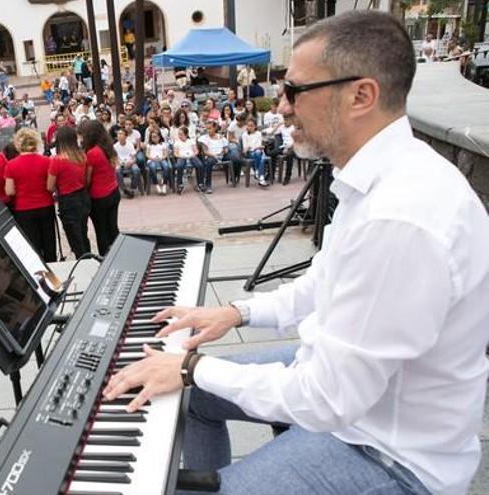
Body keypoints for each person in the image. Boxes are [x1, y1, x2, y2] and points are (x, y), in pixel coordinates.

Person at [102, 11, 489, 495]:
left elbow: (327, 399)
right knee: (193, 399)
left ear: (361, 95)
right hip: (351, 395)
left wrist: (190, 365)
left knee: (190, 383)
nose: (281, 106)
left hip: (389, 453)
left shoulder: (399, 218)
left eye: (295, 91)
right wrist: (236, 313)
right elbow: (323, 285)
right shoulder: (379, 181)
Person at [5, 128, 56, 262]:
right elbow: (51, 186)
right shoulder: (46, 161)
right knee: (49, 242)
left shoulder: (11, 165)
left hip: (24, 209)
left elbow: (9, 191)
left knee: (32, 245)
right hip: (45, 205)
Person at [47, 126, 90, 259]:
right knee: (83, 233)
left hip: (68, 200)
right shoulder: (82, 156)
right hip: (83, 197)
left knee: (74, 237)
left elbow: (50, 186)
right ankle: (89, 258)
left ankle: (83, 261)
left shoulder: (57, 160)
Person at [78, 120, 119, 256]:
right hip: (113, 191)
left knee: (101, 231)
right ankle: (118, 252)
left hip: (99, 197)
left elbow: (88, 179)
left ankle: (105, 257)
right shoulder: (108, 147)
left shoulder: (92, 153)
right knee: (113, 228)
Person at [242, 117, 268, 186]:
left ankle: (258, 174)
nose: (249, 127)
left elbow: (260, 145)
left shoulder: (258, 134)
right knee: (259, 155)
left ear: (255, 126)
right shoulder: (245, 135)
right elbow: (245, 148)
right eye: (248, 125)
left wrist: (255, 147)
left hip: (259, 152)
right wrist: (253, 148)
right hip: (250, 153)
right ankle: (261, 177)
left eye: (251, 126)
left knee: (259, 155)